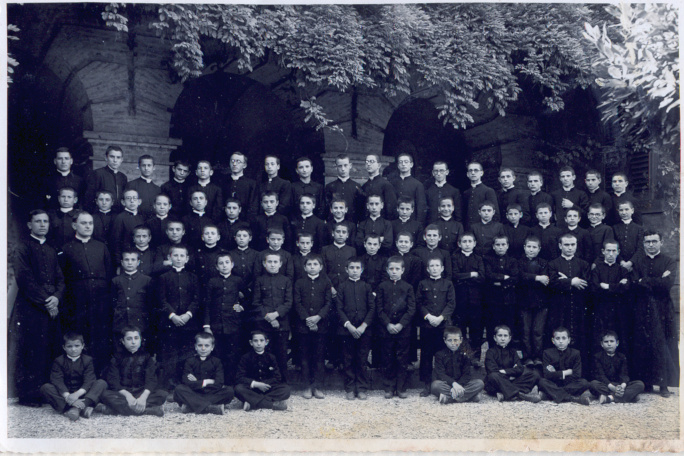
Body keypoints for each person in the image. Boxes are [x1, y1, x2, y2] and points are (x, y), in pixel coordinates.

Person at [11, 209, 65, 406]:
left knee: (50, 347)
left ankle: (48, 393)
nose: (43, 225)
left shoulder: (51, 249)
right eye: (38, 221)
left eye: (45, 221)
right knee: (33, 349)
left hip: (51, 306)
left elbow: (60, 279)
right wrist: (47, 301)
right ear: (29, 225)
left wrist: (57, 298)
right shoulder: (23, 248)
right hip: (31, 307)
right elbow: (25, 279)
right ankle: (30, 396)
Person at [60, 210, 113, 374]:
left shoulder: (101, 247)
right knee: (79, 337)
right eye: (84, 223)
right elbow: (63, 278)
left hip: (100, 302)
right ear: (74, 225)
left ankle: (101, 377)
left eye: (90, 223)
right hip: (77, 303)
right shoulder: (66, 248)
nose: (88, 226)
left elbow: (109, 274)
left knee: (100, 338)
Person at [630, 231, 678, 397]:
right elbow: (634, 285)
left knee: (662, 344)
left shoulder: (669, 261)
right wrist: (657, 279)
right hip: (642, 307)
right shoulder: (638, 262)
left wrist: (645, 281)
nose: (651, 245)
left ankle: (663, 385)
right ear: (643, 244)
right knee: (644, 343)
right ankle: (648, 383)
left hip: (662, 308)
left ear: (661, 242)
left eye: (654, 241)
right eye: (647, 242)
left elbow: (667, 284)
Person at [98, 326, 167, 416]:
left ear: (141, 339)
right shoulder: (117, 358)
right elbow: (113, 381)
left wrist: (143, 398)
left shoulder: (146, 357)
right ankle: (148, 410)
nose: (133, 342)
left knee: (162, 394)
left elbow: (151, 379)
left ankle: (114, 410)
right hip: (123, 393)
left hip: (141, 392)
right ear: (123, 341)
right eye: (129, 339)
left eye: (136, 338)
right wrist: (128, 396)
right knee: (105, 394)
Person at [157, 244, 200, 389]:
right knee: (170, 354)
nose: (179, 258)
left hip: (189, 323)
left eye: (182, 256)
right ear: (169, 258)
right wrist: (172, 315)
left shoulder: (193, 277)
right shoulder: (163, 278)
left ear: (187, 259)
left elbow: (196, 299)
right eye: (175, 255)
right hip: (170, 323)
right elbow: (161, 300)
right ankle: (170, 385)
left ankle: (185, 384)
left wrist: (188, 315)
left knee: (186, 354)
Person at [40, 332, 108, 420]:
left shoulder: (87, 360)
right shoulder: (59, 361)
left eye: (77, 346)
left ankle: (76, 409)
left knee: (101, 383)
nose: (73, 349)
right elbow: (57, 380)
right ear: (64, 347)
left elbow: (89, 380)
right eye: (69, 346)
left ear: (82, 346)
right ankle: (79, 408)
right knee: (46, 388)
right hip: (66, 394)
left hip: (83, 393)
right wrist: (68, 396)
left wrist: (77, 395)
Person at [294, 255, 333, 399]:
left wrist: (318, 318)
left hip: (321, 326)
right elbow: (297, 303)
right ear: (304, 267)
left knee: (319, 357)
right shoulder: (299, 283)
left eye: (315, 264)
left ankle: (317, 386)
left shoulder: (325, 282)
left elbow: (328, 303)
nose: (312, 267)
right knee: (304, 357)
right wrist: (307, 319)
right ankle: (306, 386)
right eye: (309, 264)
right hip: (303, 326)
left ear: (321, 267)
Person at [335, 258, 375, 400]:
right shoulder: (342, 286)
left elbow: (372, 308)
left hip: (364, 330)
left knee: (362, 359)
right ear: (346, 270)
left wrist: (364, 326)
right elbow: (338, 308)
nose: (354, 270)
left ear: (362, 270)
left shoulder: (366, 286)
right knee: (348, 359)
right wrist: (349, 326)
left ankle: (362, 388)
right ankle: (350, 388)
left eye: (357, 268)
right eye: (351, 268)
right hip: (347, 330)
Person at [377, 256, 416, 399]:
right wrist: (388, 324)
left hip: (403, 330)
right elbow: (379, 308)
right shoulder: (382, 287)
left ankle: (401, 388)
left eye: (397, 269)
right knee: (387, 359)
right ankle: (389, 387)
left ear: (402, 270)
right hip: (386, 329)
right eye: (391, 269)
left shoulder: (408, 287)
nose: (394, 272)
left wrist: (400, 324)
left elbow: (411, 309)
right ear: (387, 270)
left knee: (402, 359)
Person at [204, 251, 246, 384]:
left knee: (232, 354)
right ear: (216, 266)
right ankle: (218, 382)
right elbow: (207, 304)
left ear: (232, 264)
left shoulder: (238, 280)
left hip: (233, 324)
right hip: (216, 324)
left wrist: (241, 306)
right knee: (218, 354)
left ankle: (231, 382)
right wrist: (207, 325)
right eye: (221, 263)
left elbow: (248, 298)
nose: (224, 266)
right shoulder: (212, 281)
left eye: (227, 262)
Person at [416, 257, 456, 397]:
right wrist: (428, 317)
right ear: (427, 269)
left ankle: (442, 383)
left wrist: (440, 318)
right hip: (427, 325)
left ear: (442, 268)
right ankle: (427, 384)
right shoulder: (422, 284)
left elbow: (451, 303)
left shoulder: (448, 284)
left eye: (437, 265)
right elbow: (419, 303)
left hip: (443, 325)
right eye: (431, 266)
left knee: (443, 355)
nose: (434, 268)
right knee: (426, 355)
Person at [548, 233, 590, 359]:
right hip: (560, 306)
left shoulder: (583, 264)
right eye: (566, 245)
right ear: (560, 246)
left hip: (578, 305)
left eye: (573, 244)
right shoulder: (553, 264)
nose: (570, 247)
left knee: (579, 337)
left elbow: (586, 283)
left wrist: (565, 280)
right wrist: (572, 281)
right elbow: (553, 282)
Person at [253, 252, 293, 382]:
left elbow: (288, 302)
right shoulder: (259, 280)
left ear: (280, 264)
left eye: (275, 262)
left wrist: (276, 315)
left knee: (281, 354)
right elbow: (256, 302)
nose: (272, 264)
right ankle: (266, 382)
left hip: (282, 324)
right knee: (265, 354)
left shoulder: (286, 281)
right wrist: (268, 317)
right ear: (264, 264)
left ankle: (283, 383)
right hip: (263, 325)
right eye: (269, 262)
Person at [173, 331, 235, 415]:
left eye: (206, 346)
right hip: (194, 392)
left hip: (210, 393)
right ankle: (211, 407)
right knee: (179, 389)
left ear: (212, 347)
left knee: (229, 391)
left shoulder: (216, 362)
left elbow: (219, 383)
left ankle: (192, 406)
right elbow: (186, 382)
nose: (203, 348)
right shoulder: (190, 361)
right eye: (200, 345)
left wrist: (196, 382)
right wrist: (207, 381)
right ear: (195, 347)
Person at [234, 330, 291, 411]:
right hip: (252, 389)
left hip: (267, 388)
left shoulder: (271, 357)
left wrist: (264, 384)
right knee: (238, 389)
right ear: (251, 343)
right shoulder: (245, 357)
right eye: (255, 341)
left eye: (261, 340)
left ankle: (252, 403)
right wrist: (256, 384)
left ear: (266, 342)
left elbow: (277, 377)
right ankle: (270, 405)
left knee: (286, 389)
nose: (259, 343)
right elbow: (239, 377)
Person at [450, 232, 485, 363]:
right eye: (464, 241)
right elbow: (455, 276)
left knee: (476, 330)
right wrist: (471, 274)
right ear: (459, 244)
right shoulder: (455, 257)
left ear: (475, 243)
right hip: (461, 300)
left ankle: (475, 358)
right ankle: (464, 356)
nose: (467, 244)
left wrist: (464, 277)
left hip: (476, 301)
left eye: (470, 241)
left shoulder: (479, 258)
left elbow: (482, 278)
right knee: (461, 330)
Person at [590, 241, 630, 354]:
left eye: (614, 251)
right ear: (603, 252)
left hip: (618, 310)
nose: (611, 254)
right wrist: (618, 286)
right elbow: (595, 289)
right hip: (601, 309)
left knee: (619, 338)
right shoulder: (597, 269)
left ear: (618, 252)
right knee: (599, 338)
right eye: (608, 251)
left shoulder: (623, 270)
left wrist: (606, 286)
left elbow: (625, 289)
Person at [484, 326, 541, 403]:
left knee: (534, 375)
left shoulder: (513, 352)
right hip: (497, 382)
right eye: (500, 336)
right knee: (493, 376)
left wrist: (505, 371)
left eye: (505, 336)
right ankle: (519, 395)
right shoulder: (490, 352)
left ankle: (505, 393)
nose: (503, 338)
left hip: (508, 382)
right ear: (495, 338)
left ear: (509, 338)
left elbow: (520, 369)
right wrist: (511, 372)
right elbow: (492, 370)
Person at [538, 327, 591, 405]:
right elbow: (547, 375)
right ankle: (572, 398)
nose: (561, 341)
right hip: (554, 383)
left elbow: (577, 374)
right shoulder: (547, 353)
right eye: (558, 338)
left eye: (564, 338)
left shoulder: (575, 353)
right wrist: (567, 372)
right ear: (553, 341)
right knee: (542, 382)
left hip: (569, 383)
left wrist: (556, 373)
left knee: (584, 383)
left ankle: (551, 395)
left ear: (568, 340)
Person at [430, 326, 484, 403]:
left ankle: (449, 398)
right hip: (447, 384)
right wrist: (453, 384)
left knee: (479, 383)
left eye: (455, 340)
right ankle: (468, 397)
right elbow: (441, 374)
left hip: (462, 384)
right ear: (445, 341)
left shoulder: (465, 354)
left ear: (461, 340)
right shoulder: (439, 355)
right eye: (449, 340)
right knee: (435, 385)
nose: (453, 343)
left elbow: (467, 374)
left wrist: (458, 385)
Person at [517, 236, 549, 365]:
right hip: (524, 302)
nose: (531, 250)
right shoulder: (519, 262)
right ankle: (527, 357)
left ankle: (538, 357)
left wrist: (532, 279)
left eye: (534, 247)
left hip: (540, 302)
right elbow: (520, 277)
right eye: (529, 247)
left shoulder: (543, 263)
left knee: (538, 331)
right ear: (524, 247)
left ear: (539, 249)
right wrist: (537, 278)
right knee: (525, 330)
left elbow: (546, 280)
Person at [589, 330, 644, 404]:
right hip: (606, 385)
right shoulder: (597, 357)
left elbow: (624, 374)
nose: (609, 344)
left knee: (639, 384)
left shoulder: (621, 357)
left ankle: (610, 398)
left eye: (612, 341)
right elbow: (601, 375)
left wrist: (622, 386)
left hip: (619, 385)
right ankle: (628, 396)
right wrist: (612, 388)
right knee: (593, 384)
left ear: (617, 343)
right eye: (606, 342)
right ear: (602, 344)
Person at [483, 235, 518, 341]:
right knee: (492, 325)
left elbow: (515, 278)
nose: (500, 247)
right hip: (493, 299)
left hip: (509, 299)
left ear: (507, 246)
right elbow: (488, 275)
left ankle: (508, 353)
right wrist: (504, 277)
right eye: (498, 245)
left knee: (509, 326)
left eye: (503, 244)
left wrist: (499, 282)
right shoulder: (488, 259)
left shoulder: (512, 260)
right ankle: (492, 351)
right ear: (493, 246)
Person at [111, 250, 153, 334]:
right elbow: (112, 302)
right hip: (121, 321)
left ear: (138, 262)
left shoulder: (147, 280)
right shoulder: (116, 280)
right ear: (122, 263)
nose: (130, 263)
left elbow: (150, 303)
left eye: (133, 260)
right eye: (127, 260)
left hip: (140, 321)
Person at [83, 145, 127, 213]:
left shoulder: (123, 177)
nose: (115, 160)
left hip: (117, 215)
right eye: (112, 157)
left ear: (121, 160)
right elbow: (89, 198)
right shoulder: (97, 174)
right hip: (100, 214)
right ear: (106, 158)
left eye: (118, 157)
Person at [389, 153, 427, 224]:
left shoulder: (418, 185)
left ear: (411, 164)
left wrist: (417, 225)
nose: (403, 164)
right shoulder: (391, 183)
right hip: (394, 222)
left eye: (406, 162)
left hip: (411, 222)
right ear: (398, 165)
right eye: (401, 162)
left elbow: (420, 207)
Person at [324, 154, 364, 222]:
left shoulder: (356, 186)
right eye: (340, 166)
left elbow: (360, 208)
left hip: (351, 223)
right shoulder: (329, 186)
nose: (343, 169)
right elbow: (326, 207)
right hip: (333, 223)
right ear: (336, 167)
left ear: (350, 166)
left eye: (345, 165)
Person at [462, 161, 499, 230]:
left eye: (476, 170)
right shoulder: (466, 192)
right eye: (470, 171)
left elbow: (495, 214)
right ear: (467, 174)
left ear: (481, 173)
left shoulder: (488, 191)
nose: (473, 173)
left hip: (484, 229)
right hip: (468, 230)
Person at [111, 189, 144, 263]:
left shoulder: (142, 217)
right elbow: (116, 242)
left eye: (134, 198)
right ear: (123, 202)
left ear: (139, 202)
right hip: (127, 259)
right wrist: (118, 262)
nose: (132, 201)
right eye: (128, 198)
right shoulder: (120, 218)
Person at [222, 152, 259, 219]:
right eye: (232, 161)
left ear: (244, 165)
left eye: (238, 161)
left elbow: (253, 206)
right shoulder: (223, 182)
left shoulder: (251, 184)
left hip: (245, 221)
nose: (234, 164)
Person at [321, 223, 356, 291]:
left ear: (347, 235)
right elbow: (322, 270)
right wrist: (330, 286)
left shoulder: (352, 250)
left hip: (347, 287)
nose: (340, 234)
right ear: (333, 233)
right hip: (329, 286)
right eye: (338, 231)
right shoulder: (325, 249)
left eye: (344, 232)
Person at [362, 154, 397, 220]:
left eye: (371, 161)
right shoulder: (365, 186)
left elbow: (391, 209)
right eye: (367, 162)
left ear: (379, 165)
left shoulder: (386, 185)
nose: (368, 164)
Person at [612, 201, 644, 266]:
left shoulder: (639, 228)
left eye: (626, 209)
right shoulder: (614, 228)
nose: (624, 212)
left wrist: (631, 262)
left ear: (632, 210)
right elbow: (613, 247)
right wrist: (621, 261)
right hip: (619, 264)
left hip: (635, 264)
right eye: (621, 210)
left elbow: (640, 248)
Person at [46, 187, 78, 252]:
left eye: (69, 197)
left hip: (75, 251)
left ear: (75, 200)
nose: (66, 200)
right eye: (63, 196)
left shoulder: (80, 215)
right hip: (55, 251)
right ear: (59, 199)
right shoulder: (51, 215)